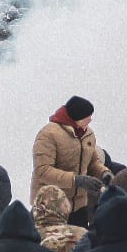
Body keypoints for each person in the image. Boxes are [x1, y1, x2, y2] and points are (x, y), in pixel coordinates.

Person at [31, 96, 111, 228]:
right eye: (87, 117)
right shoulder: (48, 134)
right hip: (50, 207)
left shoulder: (88, 134)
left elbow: (93, 162)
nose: (90, 119)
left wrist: (104, 174)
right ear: (77, 117)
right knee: (52, 246)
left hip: (78, 207)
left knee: (79, 246)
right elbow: (43, 170)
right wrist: (76, 180)